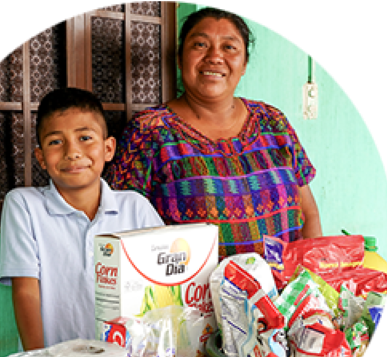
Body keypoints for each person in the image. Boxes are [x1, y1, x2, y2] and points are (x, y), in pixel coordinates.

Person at [105, 7, 322, 260]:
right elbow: (118, 226)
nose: (215, 57)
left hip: (284, 295)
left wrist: (311, 283)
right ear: (179, 59)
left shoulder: (273, 122)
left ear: (244, 65)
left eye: (229, 47)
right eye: (200, 44)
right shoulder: (149, 132)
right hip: (190, 298)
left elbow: (309, 214)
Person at [0, 88, 164, 351]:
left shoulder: (135, 208)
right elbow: (26, 291)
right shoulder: (24, 205)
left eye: (85, 137)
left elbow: (162, 287)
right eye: (55, 142)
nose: (72, 152)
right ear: (41, 158)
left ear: (108, 149)